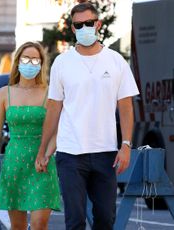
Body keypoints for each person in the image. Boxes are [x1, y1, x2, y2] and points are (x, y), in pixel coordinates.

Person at [36, 2, 139, 230]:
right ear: (72, 28)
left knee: (105, 218)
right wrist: (43, 149)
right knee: (75, 220)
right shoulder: (62, 62)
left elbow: (126, 106)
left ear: (98, 24)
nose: (84, 28)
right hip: (70, 153)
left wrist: (126, 145)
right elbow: (54, 108)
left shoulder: (116, 61)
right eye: (78, 25)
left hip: (106, 152)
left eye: (88, 23)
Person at [0, 41, 61, 230]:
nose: (30, 64)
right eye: (26, 59)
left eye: (35, 60)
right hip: (15, 163)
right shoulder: (4, 93)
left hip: (42, 163)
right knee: (17, 226)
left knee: (40, 223)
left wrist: (47, 154)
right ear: (18, 61)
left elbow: (57, 130)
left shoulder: (50, 93)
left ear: (41, 64)